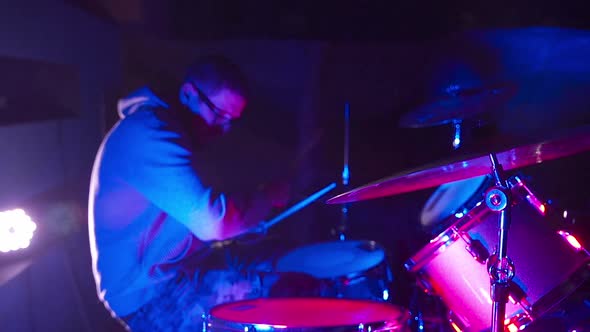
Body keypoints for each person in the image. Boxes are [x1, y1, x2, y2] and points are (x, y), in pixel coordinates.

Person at [88, 55, 297, 331]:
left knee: (282, 275)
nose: (224, 128)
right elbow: (213, 223)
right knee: (286, 295)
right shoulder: (150, 133)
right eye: (220, 115)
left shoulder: (169, 131)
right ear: (188, 93)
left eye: (232, 120)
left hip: (174, 277)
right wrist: (267, 198)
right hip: (149, 295)